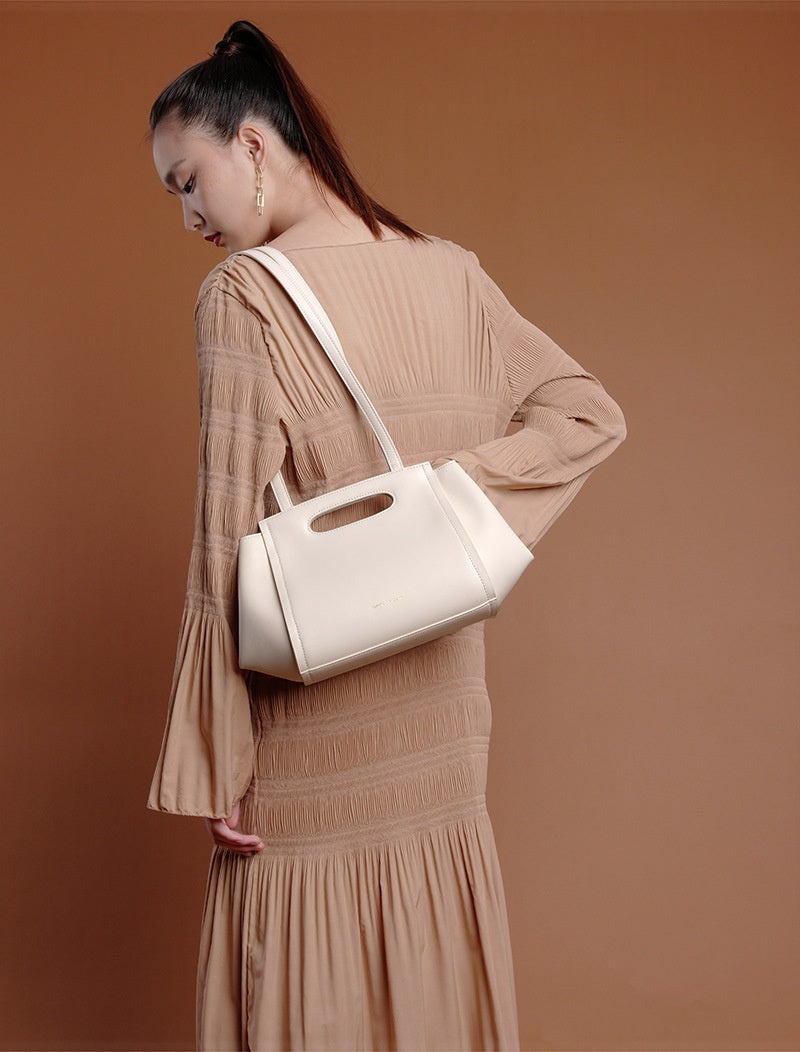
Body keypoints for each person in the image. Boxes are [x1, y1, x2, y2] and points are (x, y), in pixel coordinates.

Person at [146, 18, 626, 1052]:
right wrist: (452, 499)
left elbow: (220, 540)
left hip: (311, 745)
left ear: (252, 146)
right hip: (444, 733)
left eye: (187, 181)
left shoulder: (242, 297)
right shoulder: (452, 271)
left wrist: (212, 761)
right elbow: (586, 414)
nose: (187, 215)